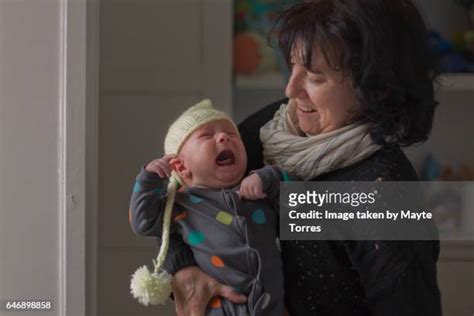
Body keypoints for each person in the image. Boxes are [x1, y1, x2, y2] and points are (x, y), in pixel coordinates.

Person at [161, 1, 443, 315]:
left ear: (376, 88)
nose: (291, 88)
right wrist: (183, 268)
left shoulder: (384, 193)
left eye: (315, 77)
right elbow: (177, 190)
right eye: (292, 66)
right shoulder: (275, 127)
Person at [129, 99, 287, 316]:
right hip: (223, 307)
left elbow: (297, 200)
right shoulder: (181, 206)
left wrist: (268, 176)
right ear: (182, 167)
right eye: (206, 136)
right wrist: (149, 179)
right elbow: (143, 222)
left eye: (232, 135)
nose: (224, 137)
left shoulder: (255, 192)